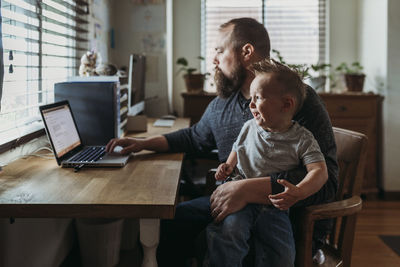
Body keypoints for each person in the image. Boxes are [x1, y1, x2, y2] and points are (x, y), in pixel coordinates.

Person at [106, 17, 338, 267]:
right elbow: (193, 137)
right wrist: (143, 144)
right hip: (233, 202)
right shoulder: (224, 103)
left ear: (246, 52)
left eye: (219, 51)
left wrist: (247, 189)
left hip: (288, 217)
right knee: (172, 220)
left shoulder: (294, 101)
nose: (214, 60)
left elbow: (328, 183)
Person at [207, 59, 328, 266]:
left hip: (273, 206)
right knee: (229, 235)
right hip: (238, 201)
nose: (251, 104)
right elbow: (238, 148)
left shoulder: (302, 138)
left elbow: (319, 171)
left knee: (283, 254)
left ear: (286, 104)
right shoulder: (249, 126)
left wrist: (299, 191)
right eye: (251, 98)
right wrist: (227, 166)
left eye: (258, 98)